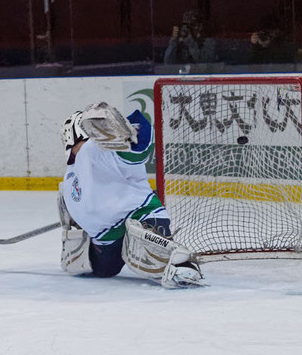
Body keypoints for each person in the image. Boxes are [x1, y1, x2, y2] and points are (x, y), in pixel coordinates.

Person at [57, 102, 204, 288]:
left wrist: (130, 130)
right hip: (104, 237)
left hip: (139, 216)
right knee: (103, 271)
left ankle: (181, 264)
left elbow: (138, 149)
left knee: (159, 255)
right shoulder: (71, 169)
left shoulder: (97, 150)